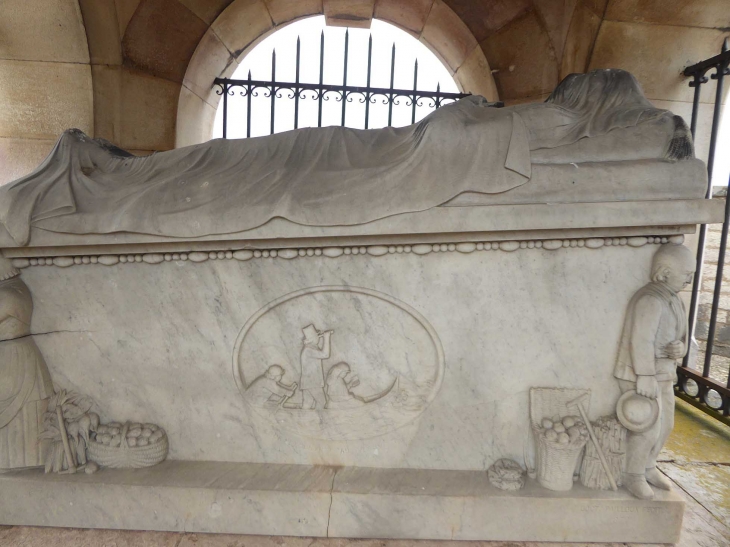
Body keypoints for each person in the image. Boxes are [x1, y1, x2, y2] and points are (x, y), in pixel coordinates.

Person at [613, 244, 695, 499]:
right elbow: (641, 340)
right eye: (685, 274)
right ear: (664, 272)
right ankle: (632, 474)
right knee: (646, 426)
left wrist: (679, 348)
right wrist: (645, 375)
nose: (689, 279)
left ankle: (649, 466)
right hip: (639, 374)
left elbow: (680, 336)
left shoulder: (674, 300)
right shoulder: (650, 298)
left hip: (664, 372)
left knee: (666, 424)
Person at [0, 256, 54, 470]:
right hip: (13, 356)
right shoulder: (16, 288)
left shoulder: (7, 294)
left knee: (22, 419)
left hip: (13, 359)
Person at [296, 325, 333, 410]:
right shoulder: (309, 349)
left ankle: (304, 421)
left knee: (307, 404)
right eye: (318, 336)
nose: (319, 338)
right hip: (313, 382)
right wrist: (326, 338)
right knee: (322, 402)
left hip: (308, 382)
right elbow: (325, 354)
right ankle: (319, 421)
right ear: (313, 338)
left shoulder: (310, 348)